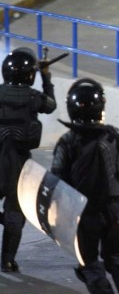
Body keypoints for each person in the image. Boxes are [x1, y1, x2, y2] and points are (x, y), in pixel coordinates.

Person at [51, 78, 119, 294]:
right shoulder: (115, 136)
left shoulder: (67, 141)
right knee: (116, 257)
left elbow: (56, 180)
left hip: (83, 211)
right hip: (115, 209)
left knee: (88, 261)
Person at [0, 47, 56, 273]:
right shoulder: (34, 98)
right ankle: (7, 260)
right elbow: (51, 105)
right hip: (20, 166)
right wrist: (46, 76)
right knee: (16, 212)